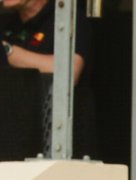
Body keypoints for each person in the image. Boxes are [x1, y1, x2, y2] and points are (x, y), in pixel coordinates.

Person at [0, 0, 96, 157]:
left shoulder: (69, 18)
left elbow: (69, 72)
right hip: (14, 143)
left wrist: (7, 51)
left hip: (61, 148)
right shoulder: (8, 24)